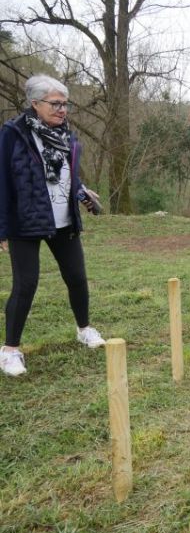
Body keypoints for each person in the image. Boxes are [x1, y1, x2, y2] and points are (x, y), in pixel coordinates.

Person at [0, 74, 104, 376]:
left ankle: (84, 329)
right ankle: (10, 350)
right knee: (26, 283)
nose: (62, 110)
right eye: (55, 104)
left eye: (65, 104)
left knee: (77, 277)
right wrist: (2, 227)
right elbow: (3, 180)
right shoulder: (14, 133)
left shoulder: (67, 135)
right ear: (35, 103)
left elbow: (63, 173)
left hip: (64, 219)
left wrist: (81, 191)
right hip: (25, 221)